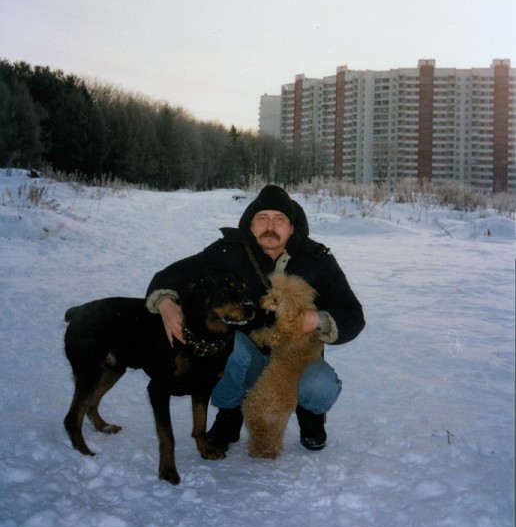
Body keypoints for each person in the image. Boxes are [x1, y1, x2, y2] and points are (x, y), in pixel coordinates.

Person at [145, 184, 365, 452]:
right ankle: (228, 415)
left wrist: (318, 319)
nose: (270, 226)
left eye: (279, 219)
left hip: (294, 361)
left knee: (321, 385)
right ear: (250, 226)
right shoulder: (228, 252)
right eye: (262, 218)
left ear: (292, 227)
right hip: (247, 356)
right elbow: (176, 273)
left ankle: (311, 416)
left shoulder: (317, 259)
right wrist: (166, 303)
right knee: (225, 350)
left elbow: (353, 314)